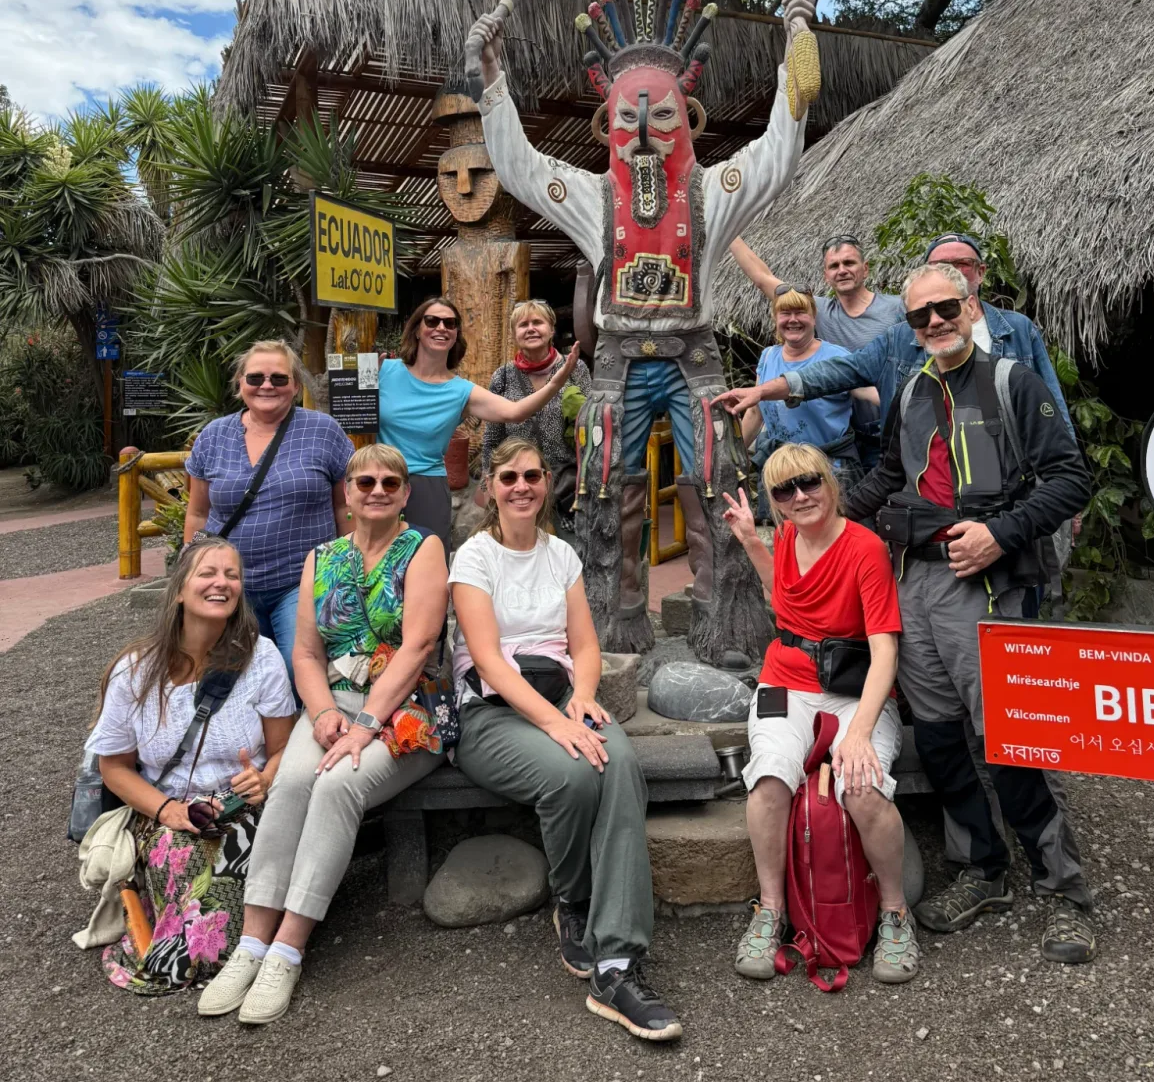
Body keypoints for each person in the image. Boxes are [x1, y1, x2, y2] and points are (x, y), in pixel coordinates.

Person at [465, 0, 822, 663]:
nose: (644, 139)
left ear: (688, 121)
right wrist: (492, 79)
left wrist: (795, 52)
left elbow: (778, 154)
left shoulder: (714, 193)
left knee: (717, 484)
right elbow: (518, 168)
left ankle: (729, 627)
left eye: (662, 121)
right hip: (619, 362)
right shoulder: (591, 196)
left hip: (695, 357)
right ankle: (611, 620)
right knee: (608, 489)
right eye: (628, 122)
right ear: (608, 127)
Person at [843, 263, 1097, 965]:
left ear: (971, 304)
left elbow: (1072, 478)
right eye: (918, 317)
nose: (933, 324)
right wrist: (826, 516)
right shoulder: (912, 391)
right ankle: (982, 869)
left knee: (1013, 737)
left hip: (986, 587)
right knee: (944, 738)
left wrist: (1001, 532)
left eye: (944, 309)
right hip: (914, 585)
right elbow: (890, 477)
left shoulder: (1013, 382)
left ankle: (1061, 887)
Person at [195, 445, 449, 1024]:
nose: (377, 491)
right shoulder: (323, 556)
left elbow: (418, 647)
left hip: (407, 712)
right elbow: (306, 651)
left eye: (390, 482)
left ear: (406, 493)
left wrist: (363, 724)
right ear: (348, 493)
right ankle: (251, 941)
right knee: (289, 781)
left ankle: (288, 947)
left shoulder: (424, 549)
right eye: (365, 482)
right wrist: (322, 713)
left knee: (336, 786)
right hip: (333, 705)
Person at [449, 436, 681, 1042]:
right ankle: (573, 898)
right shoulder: (474, 558)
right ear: (489, 488)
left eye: (531, 475)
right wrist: (557, 725)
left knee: (621, 765)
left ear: (547, 484)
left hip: (559, 695)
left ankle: (617, 961)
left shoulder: (562, 556)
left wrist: (581, 696)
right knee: (574, 772)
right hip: (491, 714)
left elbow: (584, 645)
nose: (521, 486)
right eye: (508, 478)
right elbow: (490, 663)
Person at [721, 444, 919, 986]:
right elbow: (782, 602)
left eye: (809, 483)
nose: (800, 496)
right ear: (776, 502)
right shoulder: (786, 537)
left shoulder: (864, 549)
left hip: (854, 688)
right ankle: (770, 908)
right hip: (785, 680)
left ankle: (896, 913)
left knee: (863, 786)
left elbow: (885, 652)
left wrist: (857, 733)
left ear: (831, 484)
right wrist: (748, 539)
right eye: (785, 490)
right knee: (767, 780)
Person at [83, 535, 295, 993]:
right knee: (201, 914)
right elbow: (114, 767)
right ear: (179, 589)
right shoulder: (134, 671)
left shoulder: (261, 658)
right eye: (208, 573)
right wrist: (167, 811)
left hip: (245, 808)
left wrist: (265, 778)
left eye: (232, 575)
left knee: (225, 915)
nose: (222, 583)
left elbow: (283, 747)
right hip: (169, 813)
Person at [719, 232, 1072, 430]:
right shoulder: (833, 316)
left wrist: (1065, 486)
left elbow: (1052, 405)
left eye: (962, 264)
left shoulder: (1015, 331)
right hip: (902, 446)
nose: (934, 322)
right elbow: (838, 371)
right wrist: (765, 391)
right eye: (834, 265)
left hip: (1007, 458)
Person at [185, 339, 352, 675]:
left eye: (278, 378)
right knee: (231, 675)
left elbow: (344, 507)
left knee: (298, 670)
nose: (266, 386)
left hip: (300, 581)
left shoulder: (323, 431)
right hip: (230, 583)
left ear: (295, 385)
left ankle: (300, 729)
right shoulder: (214, 436)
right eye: (255, 377)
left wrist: (350, 569)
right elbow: (199, 513)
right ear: (239, 383)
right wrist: (192, 565)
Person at [378, 296, 580, 553]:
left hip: (425, 485)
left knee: (426, 564)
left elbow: (514, 412)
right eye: (432, 321)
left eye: (450, 324)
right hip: (376, 479)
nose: (441, 327)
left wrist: (554, 383)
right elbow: (348, 413)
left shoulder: (461, 391)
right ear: (417, 329)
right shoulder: (384, 370)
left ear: (456, 335)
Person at [732, 233, 903, 468]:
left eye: (849, 263)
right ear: (826, 275)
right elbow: (762, 279)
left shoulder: (896, 309)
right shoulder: (817, 311)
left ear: (865, 268)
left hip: (886, 430)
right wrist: (727, 230)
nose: (842, 270)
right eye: (834, 265)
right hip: (844, 431)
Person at [743, 287, 877, 499]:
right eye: (785, 313)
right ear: (776, 318)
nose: (793, 319)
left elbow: (872, 394)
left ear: (814, 318)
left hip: (829, 470)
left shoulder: (836, 356)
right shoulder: (768, 356)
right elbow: (754, 414)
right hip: (782, 472)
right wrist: (736, 458)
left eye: (800, 312)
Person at [481, 298, 592, 540]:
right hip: (518, 483)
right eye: (523, 325)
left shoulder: (575, 368)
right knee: (518, 548)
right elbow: (492, 437)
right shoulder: (503, 376)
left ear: (551, 329)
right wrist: (487, 484)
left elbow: (591, 429)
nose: (531, 328)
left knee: (573, 553)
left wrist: (589, 478)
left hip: (566, 484)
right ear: (514, 334)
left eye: (537, 322)